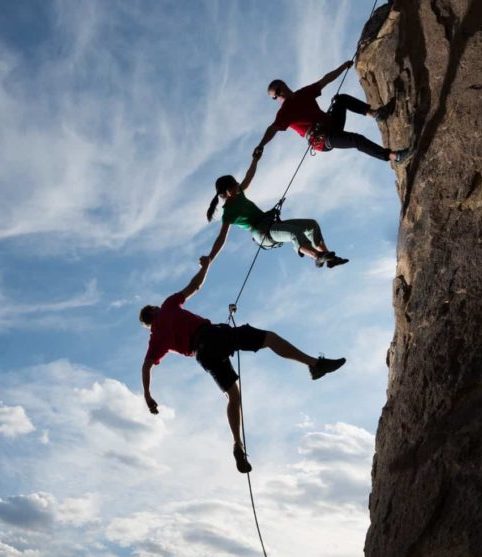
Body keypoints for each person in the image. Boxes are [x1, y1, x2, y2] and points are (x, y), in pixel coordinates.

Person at [139, 257, 346, 473]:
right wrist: (206, 265)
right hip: (210, 336)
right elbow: (195, 286)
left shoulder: (155, 339)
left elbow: (146, 366)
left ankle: (238, 444)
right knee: (269, 338)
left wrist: (147, 396)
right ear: (154, 310)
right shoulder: (167, 306)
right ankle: (314, 364)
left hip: (203, 355)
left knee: (233, 396)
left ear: (148, 325)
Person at [204, 152, 348, 268]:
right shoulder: (228, 212)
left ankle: (329, 258)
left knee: (311, 225)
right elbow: (221, 239)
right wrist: (210, 258)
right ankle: (317, 256)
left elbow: (249, 176)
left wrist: (255, 160)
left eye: (236, 184)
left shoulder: (239, 193)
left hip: (270, 224)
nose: (238, 186)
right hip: (261, 233)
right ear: (226, 192)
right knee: (294, 233)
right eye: (234, 186)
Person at [253, 60, 410, 163]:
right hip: (323, 138)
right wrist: (261, 145)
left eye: (278, 90)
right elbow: (272, 129)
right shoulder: (284, 112)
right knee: (356, 140)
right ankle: (394, 156)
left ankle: (376, 114)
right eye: (275, 97)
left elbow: (324, 80)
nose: (279, 96)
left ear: (284, 85)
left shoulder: (303, 93)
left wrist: (342, 67)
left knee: (340, 99)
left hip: (331, 123)